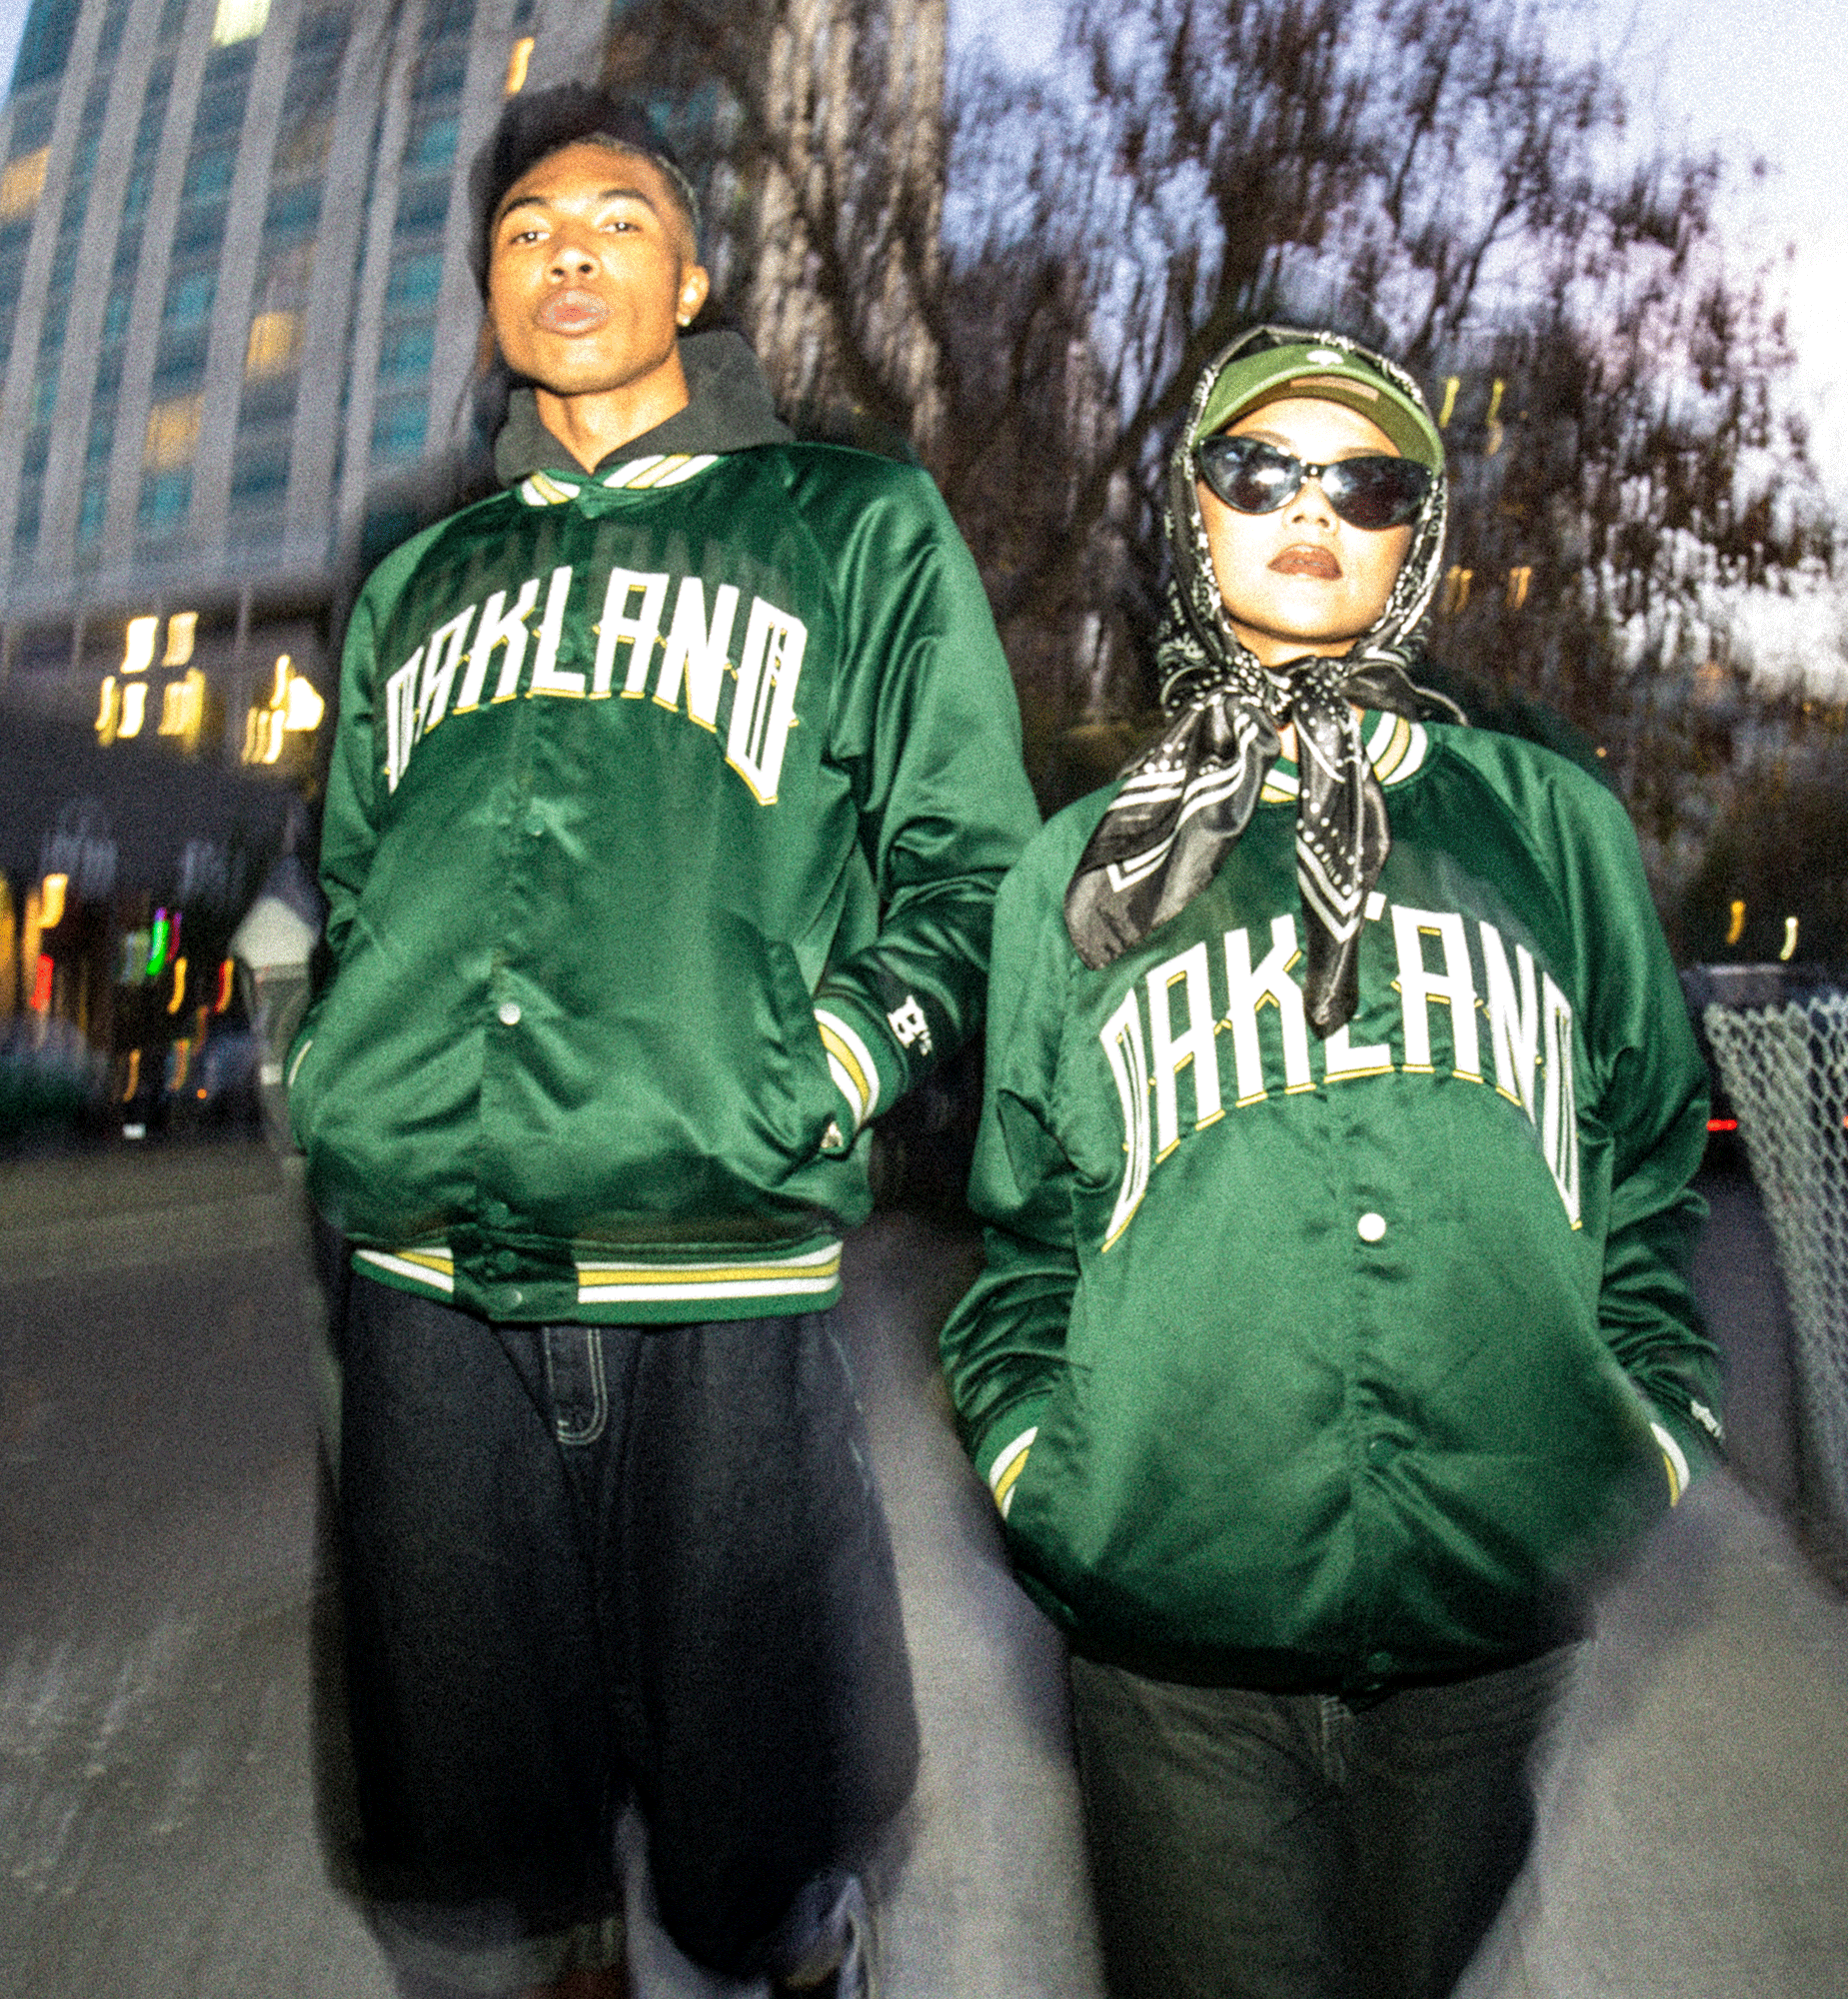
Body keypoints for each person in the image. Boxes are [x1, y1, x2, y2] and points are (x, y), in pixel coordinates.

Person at [290, 83, 1039, 1999]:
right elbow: (357, 878)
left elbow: (967, 861)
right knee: (500, 1799)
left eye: (617, 220)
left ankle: (797, 1943)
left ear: (696, 274)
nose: (568, 253)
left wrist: (837, 1066)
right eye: (528, 231)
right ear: (489, 299)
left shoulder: (850, 525)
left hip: (716, 1257)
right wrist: (358, 1081)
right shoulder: (414, 583)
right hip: (430, 1283)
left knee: (762, 1806)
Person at [939, 327, 1723, 1999]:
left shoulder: (1547, 826)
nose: (1310, 510)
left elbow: (1650, 1165)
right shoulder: (1077, 873)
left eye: (1363, 482)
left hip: (1487, 1637)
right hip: (1173, 1654)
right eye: (1258, 472)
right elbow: (1020, 1241)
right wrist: (1047, 1485)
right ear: (1195, 518)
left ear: (1416, 536)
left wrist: (1639, 1440)